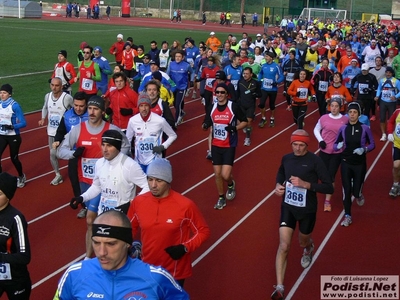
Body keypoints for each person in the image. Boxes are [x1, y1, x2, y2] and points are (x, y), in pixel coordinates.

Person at [54, 210, 189, 299]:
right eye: (96, 243)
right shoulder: (74, 274)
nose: (101, 253)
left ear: (127, 244)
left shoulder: (157, 278)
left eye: (111, 244)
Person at [58, 95, 130, 260]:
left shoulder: (111, 129)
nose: (91, 112)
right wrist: (73, 153)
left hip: (105, 183)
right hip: (85, 181)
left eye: (95, 109)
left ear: (102, 111)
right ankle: (102, 252)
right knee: (94, 221)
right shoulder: (78, 129)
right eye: (89, 108)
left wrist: (115, 158)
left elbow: (126, 145)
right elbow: (61, 150)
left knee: (92, 219)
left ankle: (91, 257)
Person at [272, 129, 334, 300]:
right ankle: (279, 287)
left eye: (301, 145)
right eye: (295, 144)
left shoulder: (315, 161)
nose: (298, 148)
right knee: (284, 246)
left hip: (307, 210)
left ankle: (308, 248)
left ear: (307, 145)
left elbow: (329, 187)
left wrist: (307, 184)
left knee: (302, 241)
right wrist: (278, 185)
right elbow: (280, 173)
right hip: (288, 207)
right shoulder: (286, 158)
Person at [127, 158, 210, 286]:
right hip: (147, 269)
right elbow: (128, 229)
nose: (153, 185)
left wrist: (185, 247)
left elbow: (203, 231)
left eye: (159, 180)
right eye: (150, 179)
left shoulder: (185, 205)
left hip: (175, 272)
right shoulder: (138, 202)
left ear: (168, 181)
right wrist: (125, 246)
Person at [70, 129, 149, 216]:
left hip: (123, 218)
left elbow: (147, 186)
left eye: (109, 145)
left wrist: (131, 203)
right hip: (103, 215)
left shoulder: (130, 165)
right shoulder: (99, 163)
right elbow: (97, 186)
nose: (105, 149)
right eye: (103, 145)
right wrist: (82, 198)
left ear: (118, 147)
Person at [202, 83, 247, 209]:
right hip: (216, 145)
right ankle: (221, 197)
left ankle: (231, 184)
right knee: (217, 174)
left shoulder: (233, 106)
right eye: (218, 92)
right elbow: (207, 121)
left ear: (227, 94)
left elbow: (245, 121)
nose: (220, 94)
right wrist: (205, 126)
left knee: (225, 175)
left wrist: (235, 128)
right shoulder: (212, 107)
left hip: (229, 145)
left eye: (222, 92)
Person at [333, 102, 375, 226]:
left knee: (356, 192)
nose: (352, 114)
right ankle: (347, 216)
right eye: (350, 112)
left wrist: (364, 149)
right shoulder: (343, 128)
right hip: (346, 162)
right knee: (346, 191)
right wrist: (337, 146)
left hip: (359, 164)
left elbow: (372, 144)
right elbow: (335, 144)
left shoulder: (364, 128)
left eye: (354, 112)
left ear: (359, 114)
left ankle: (359, 195)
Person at [53, 91, 89, 218]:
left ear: (86, 105)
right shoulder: (67, 115)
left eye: (81, 106)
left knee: (92, 181)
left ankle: (95, 204)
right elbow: (61, 130)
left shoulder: (92, 114)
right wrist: (57, 140)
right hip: (74, 154)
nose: (78, 108)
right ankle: (84, 206)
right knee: (74, 180)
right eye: (76, 105)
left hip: (91, 155)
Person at [126, 93, 177, 173]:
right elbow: (128, 139)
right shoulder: (132, 121)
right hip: (139, 161)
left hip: (155, 160)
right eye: (141, 106)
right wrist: (128, 153)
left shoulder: (160, 120)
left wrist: (163, 146)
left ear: (150, 106)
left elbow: (173, 135)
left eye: (146, 105)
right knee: (143, 185)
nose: (144, 109)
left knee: (153, 184)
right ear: (138, 107)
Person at [0, 172, 31, 300]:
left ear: (8, 197)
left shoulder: (15, 218)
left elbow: (24, 257)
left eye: (0, 193)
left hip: (15, 279)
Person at [313, 99, 348, 212]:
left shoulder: (345, 119)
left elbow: (347, 133)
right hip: (324, 151)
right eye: (332, 106)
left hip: (337, 153)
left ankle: (327, 201)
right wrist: (320, 140)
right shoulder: (324, 118)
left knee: (330, 175)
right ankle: (323, 187)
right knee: (322, 174)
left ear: (340, 107)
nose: (333, 108)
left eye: (336, 106)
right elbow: (316, 129)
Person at [39, 77, 73, 185]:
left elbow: (75, 109)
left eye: (57, 85)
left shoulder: (67, 98)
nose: (54, 87)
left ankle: (76, 170)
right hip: (51, 131)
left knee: (70, 153)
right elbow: (45, 107)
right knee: (52, 153)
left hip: (65, 133)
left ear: (61, 86)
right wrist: (43, 118)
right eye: (52, 85)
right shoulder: (47, 96)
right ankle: (58, 175)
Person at [0, 84, 27, 188]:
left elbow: (24, 123)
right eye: (1, 93)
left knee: (14, 158)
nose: (2, 95)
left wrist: (12, 126)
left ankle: (21, 176)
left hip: (13, 136)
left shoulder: (15, 106)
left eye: (4, 93)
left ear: (9, 94)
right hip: (2, 135)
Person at [258, 51, 284, 128]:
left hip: (273, 89)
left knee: (271, 105)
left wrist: (277, 82)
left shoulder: (276, 66)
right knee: (261, 104)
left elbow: (282, 76)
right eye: (265, 56)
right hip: (264, 88)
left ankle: (272, 118)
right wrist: (259, 80)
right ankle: (263, 118)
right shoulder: (263, 66)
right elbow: (260, 73)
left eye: (267, 56)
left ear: (271, 58)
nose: (265, 58)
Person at [374, 67, 400, 142]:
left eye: (389, 72)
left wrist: (395, 96)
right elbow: (379, 89)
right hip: (383, 102)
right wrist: (377, 96)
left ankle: (390, 133)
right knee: (382, 118)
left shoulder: (396, 81)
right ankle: (383, 134)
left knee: (391, 119)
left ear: (392, 73)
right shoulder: (382, 80)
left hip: (392, 103)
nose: (388, 74)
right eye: (387, 72)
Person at [167, 50, 192, 126]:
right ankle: (181, 112)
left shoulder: (186, 65)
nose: (177, 58)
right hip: (173, 87)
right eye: (176, 56)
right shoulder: (171, 64)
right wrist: (169, 84)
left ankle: (177, 119)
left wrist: (191, 80)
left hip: (182, 87)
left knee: (178, 104)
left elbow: (192, 72)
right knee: (174, 103)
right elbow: (167, 75)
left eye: (179, 56)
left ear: (182, 57)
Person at [237, 67, 261, 146]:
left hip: (250, 105)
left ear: (251, 74)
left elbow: (260, 94)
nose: (245, 75)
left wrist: (256, 94)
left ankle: (247, 138)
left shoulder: (256, 83)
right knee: (241, 122)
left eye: (247, 74)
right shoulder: (240, 82)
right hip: (241, 105)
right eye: (244, 73)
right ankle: (245, 128)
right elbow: (237, 94)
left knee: (248, 122)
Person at [387, 107, 400, 197]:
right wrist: (390, 132)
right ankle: (395, 184)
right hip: (397, 144)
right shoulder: (398, 111)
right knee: (396, 166)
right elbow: (391, 122)